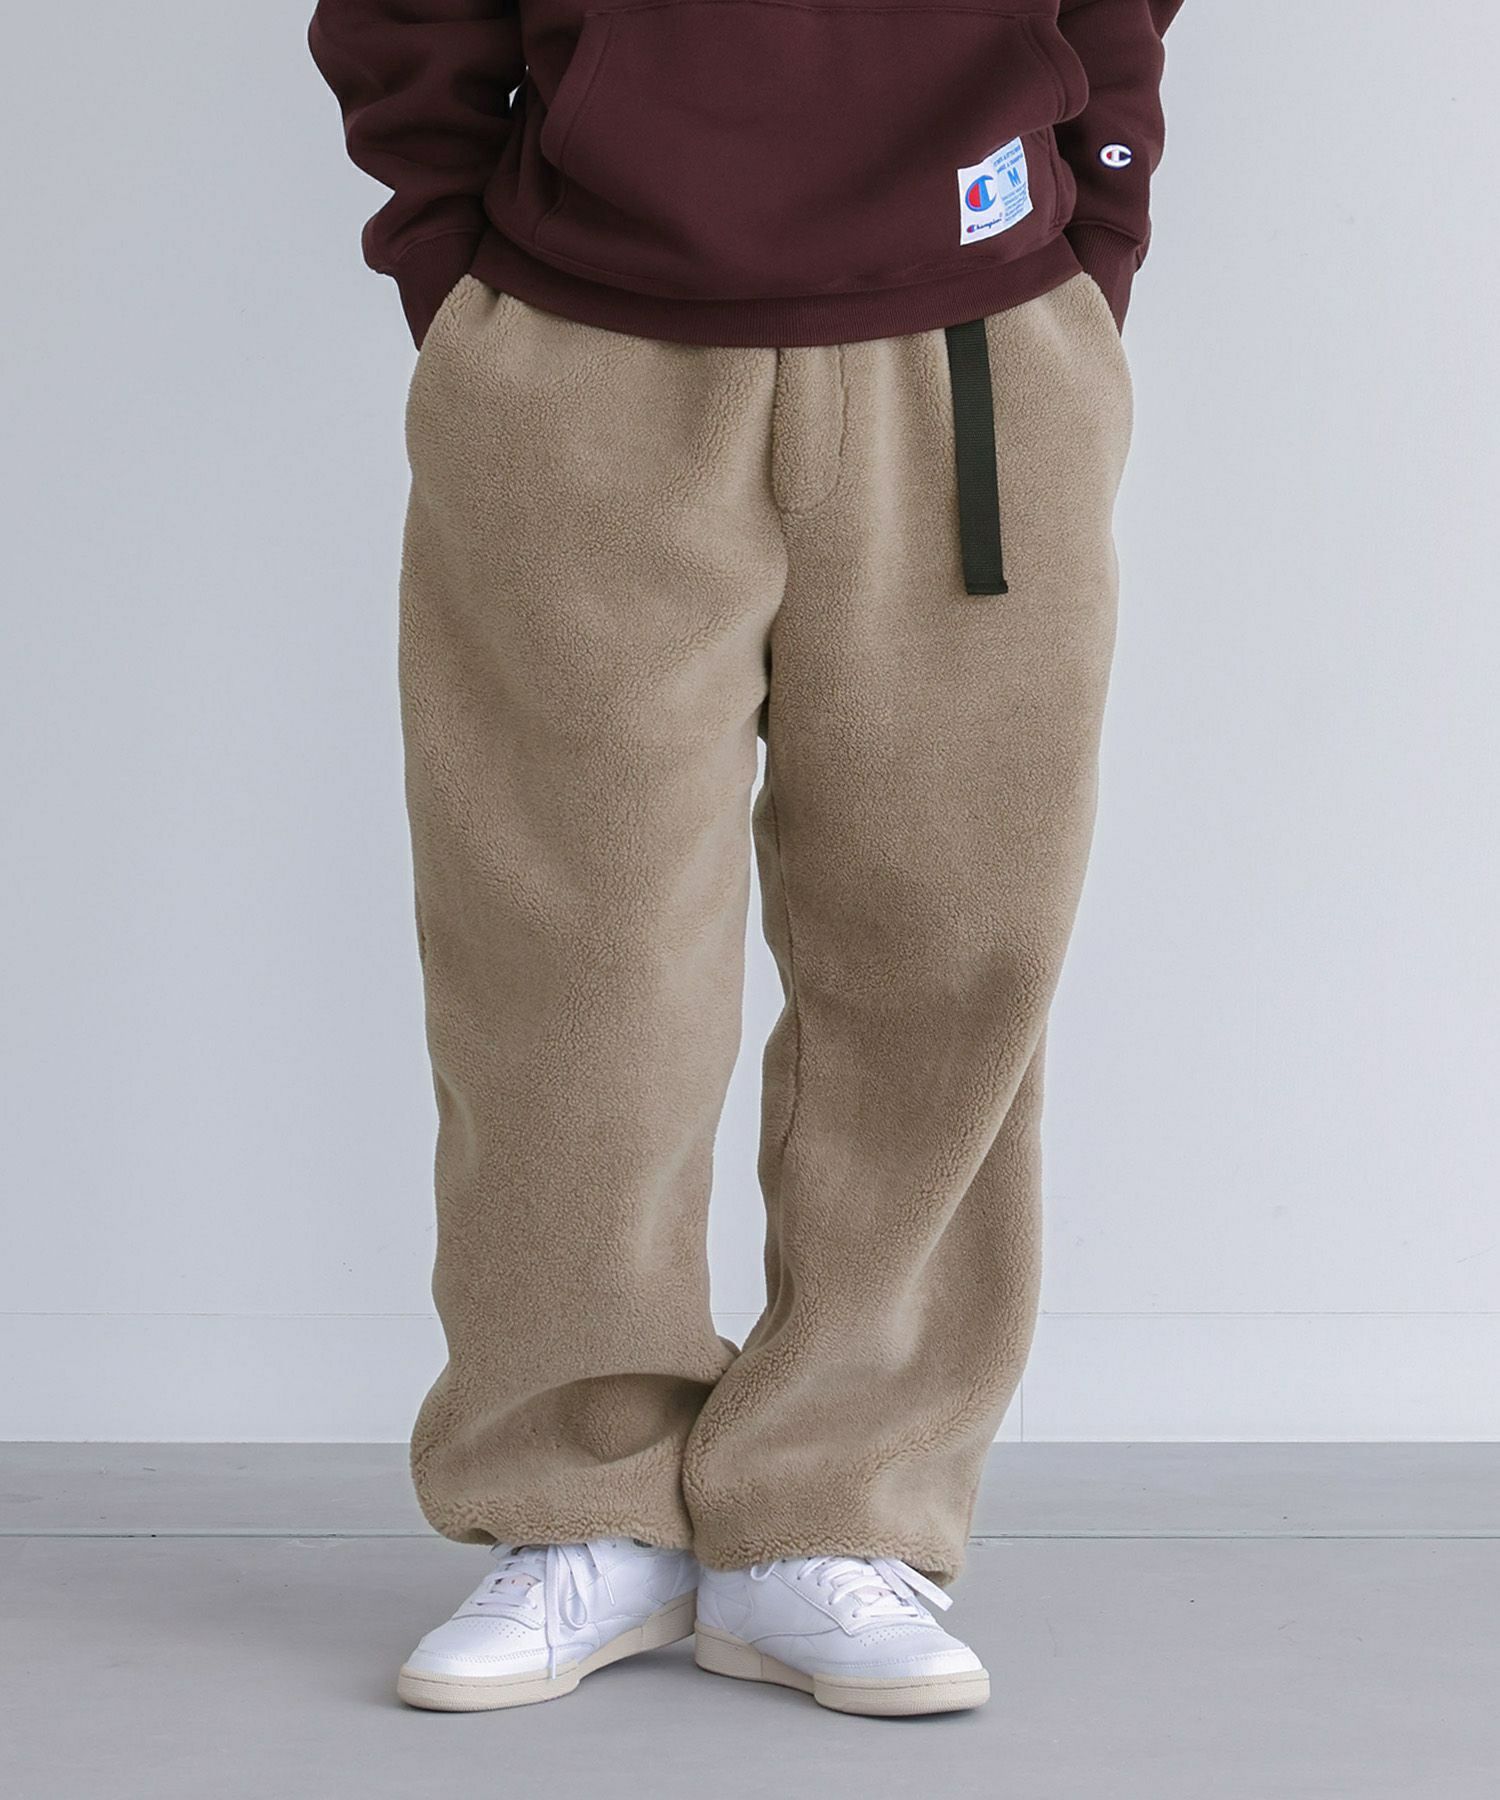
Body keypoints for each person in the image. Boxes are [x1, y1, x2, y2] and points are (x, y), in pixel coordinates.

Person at [310, 0, 1180, 1718]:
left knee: (952, 950)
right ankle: (577, 1494)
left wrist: (1092, 224)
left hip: (978, 347)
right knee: (567, 959)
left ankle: (837, 1508)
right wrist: (456, 269)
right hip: (583, 349)